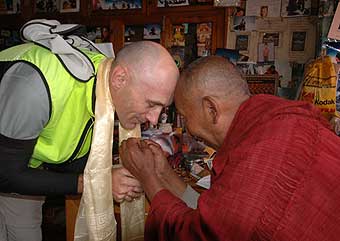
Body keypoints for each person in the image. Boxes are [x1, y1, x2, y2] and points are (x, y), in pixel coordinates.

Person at [120, 56, 340, 240]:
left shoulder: (261, 154)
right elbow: (213, 214)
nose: (187, 129)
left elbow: (200, 234)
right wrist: (163, 173)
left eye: (185, 118)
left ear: (211, 109)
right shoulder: (276, 118)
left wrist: (147, 176)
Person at [0, 24, 179, 241]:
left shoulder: (104, 82)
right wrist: (97, 183)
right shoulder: (35, 87)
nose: (153, 119)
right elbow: (6, 174)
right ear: (120, 78)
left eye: (162, 108)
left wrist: (111, 174)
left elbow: (67, 154)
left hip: (23, 162)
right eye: (151, 104)